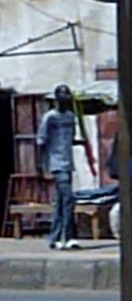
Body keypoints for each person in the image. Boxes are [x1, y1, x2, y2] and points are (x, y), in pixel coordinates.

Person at [36, 85, 83, 250]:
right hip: (56, 164)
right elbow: (41, 141)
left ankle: (54, 238)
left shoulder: (71, 117)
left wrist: (81, 143)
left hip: (68, 163)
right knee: (69, 198)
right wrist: (42, 166)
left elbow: (70, 139)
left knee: (61, 202)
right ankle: (69, 236)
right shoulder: (50, 118)